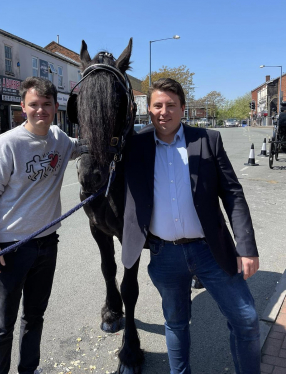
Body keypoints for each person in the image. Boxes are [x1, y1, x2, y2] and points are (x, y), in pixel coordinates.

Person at [122, 78, 260, 374]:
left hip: (211, 251)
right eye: (157, 105)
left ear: (183, 109)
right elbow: (95, 149)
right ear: (148, 109)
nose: (164, 111)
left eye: (171, 105)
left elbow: (233, 194)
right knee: (175, 322)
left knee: (246, 319)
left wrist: (246, 247)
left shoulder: (208, 139)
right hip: (165, 255)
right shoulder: (135, 146)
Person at [0, 77, 80, 374]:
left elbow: (83, 147)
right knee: (3, 324)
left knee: (35, 316)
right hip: (12, 247)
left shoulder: (60, 139)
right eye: (33, 105)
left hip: (47, 244)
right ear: (22, 107)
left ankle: (29, 369)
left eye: (46, 104)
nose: (40, 110)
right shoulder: (8, 143)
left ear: (55, 107)